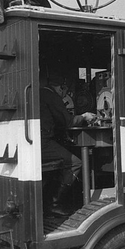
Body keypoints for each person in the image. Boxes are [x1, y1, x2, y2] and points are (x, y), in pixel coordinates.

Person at [40, 75, 96, 216]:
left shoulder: (41, 93)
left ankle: (49, 202)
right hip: (43, 142)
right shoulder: (50, 95)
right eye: (64, 91)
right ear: (60, 87)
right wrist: (84, 117)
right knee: (75, 163)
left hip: (40, 140)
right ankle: (54, 204)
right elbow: (68, 122)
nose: (64, 95)